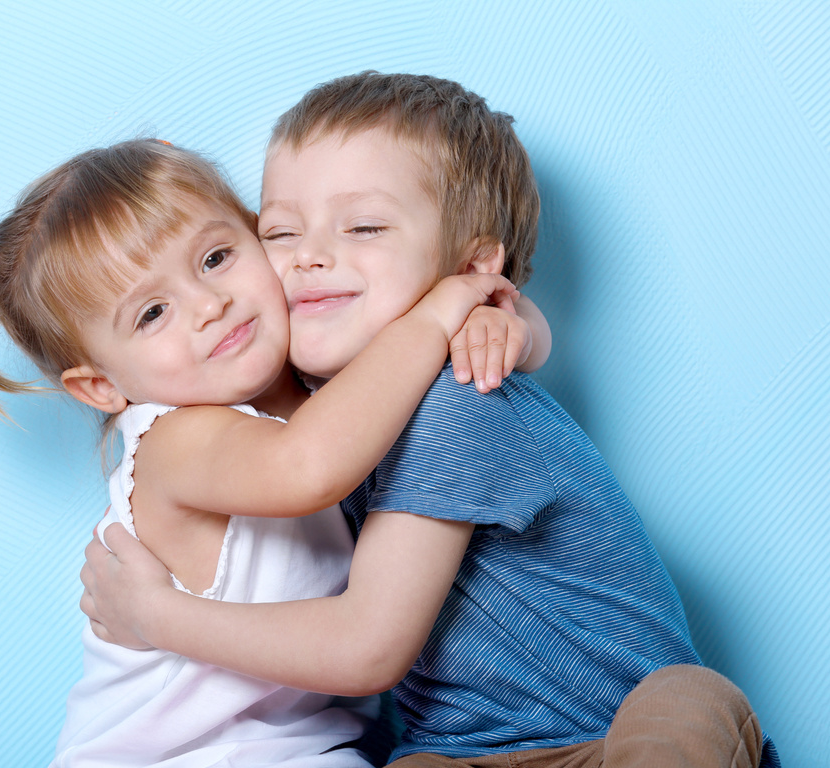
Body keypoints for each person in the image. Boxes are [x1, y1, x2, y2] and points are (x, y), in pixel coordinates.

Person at [80, 73, 780, 768]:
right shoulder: (324, 407)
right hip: (454, 755)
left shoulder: (458, 400)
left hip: (611, 737)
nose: (311, 255)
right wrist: (511, 319)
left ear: (471, 267)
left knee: (689, 700)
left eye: (364, 227)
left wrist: (155, 618)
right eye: (281, 230)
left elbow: (367, 646)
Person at [0, 139, 541, 768]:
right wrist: (436, 319)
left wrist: (495, 320)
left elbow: (468, 342)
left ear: (260, 237)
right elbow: (308, 467)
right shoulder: (174, 440)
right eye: (153, 313)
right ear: (100, 386)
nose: (209, 304)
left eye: (216, 258)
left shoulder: (325, 384)